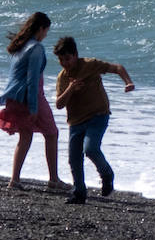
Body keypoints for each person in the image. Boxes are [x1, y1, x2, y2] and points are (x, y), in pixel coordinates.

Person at [0, 11, 67, 191]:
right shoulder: (36, 48)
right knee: (52, 133)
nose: (46, 35)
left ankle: (14, 180)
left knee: (25, 136)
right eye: (46, 31)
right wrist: (33, 107)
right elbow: (32, 80)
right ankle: (53, 180)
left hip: (13, 96)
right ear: (41, 29)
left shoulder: (20, 45)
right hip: (30, 96)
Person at [52, 36, 134, 204]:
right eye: (61, 60)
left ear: (75, 55)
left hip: (98, 115)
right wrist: (71, 88)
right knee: (74, 159)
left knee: (90, 149)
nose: (64, 63)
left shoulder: (90, 64)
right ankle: (79, 193)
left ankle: (107, 174)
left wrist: (128, 82)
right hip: (75, 121)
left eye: (67, 59)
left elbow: (117, 68)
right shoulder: (63, 77)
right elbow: (59, 104)